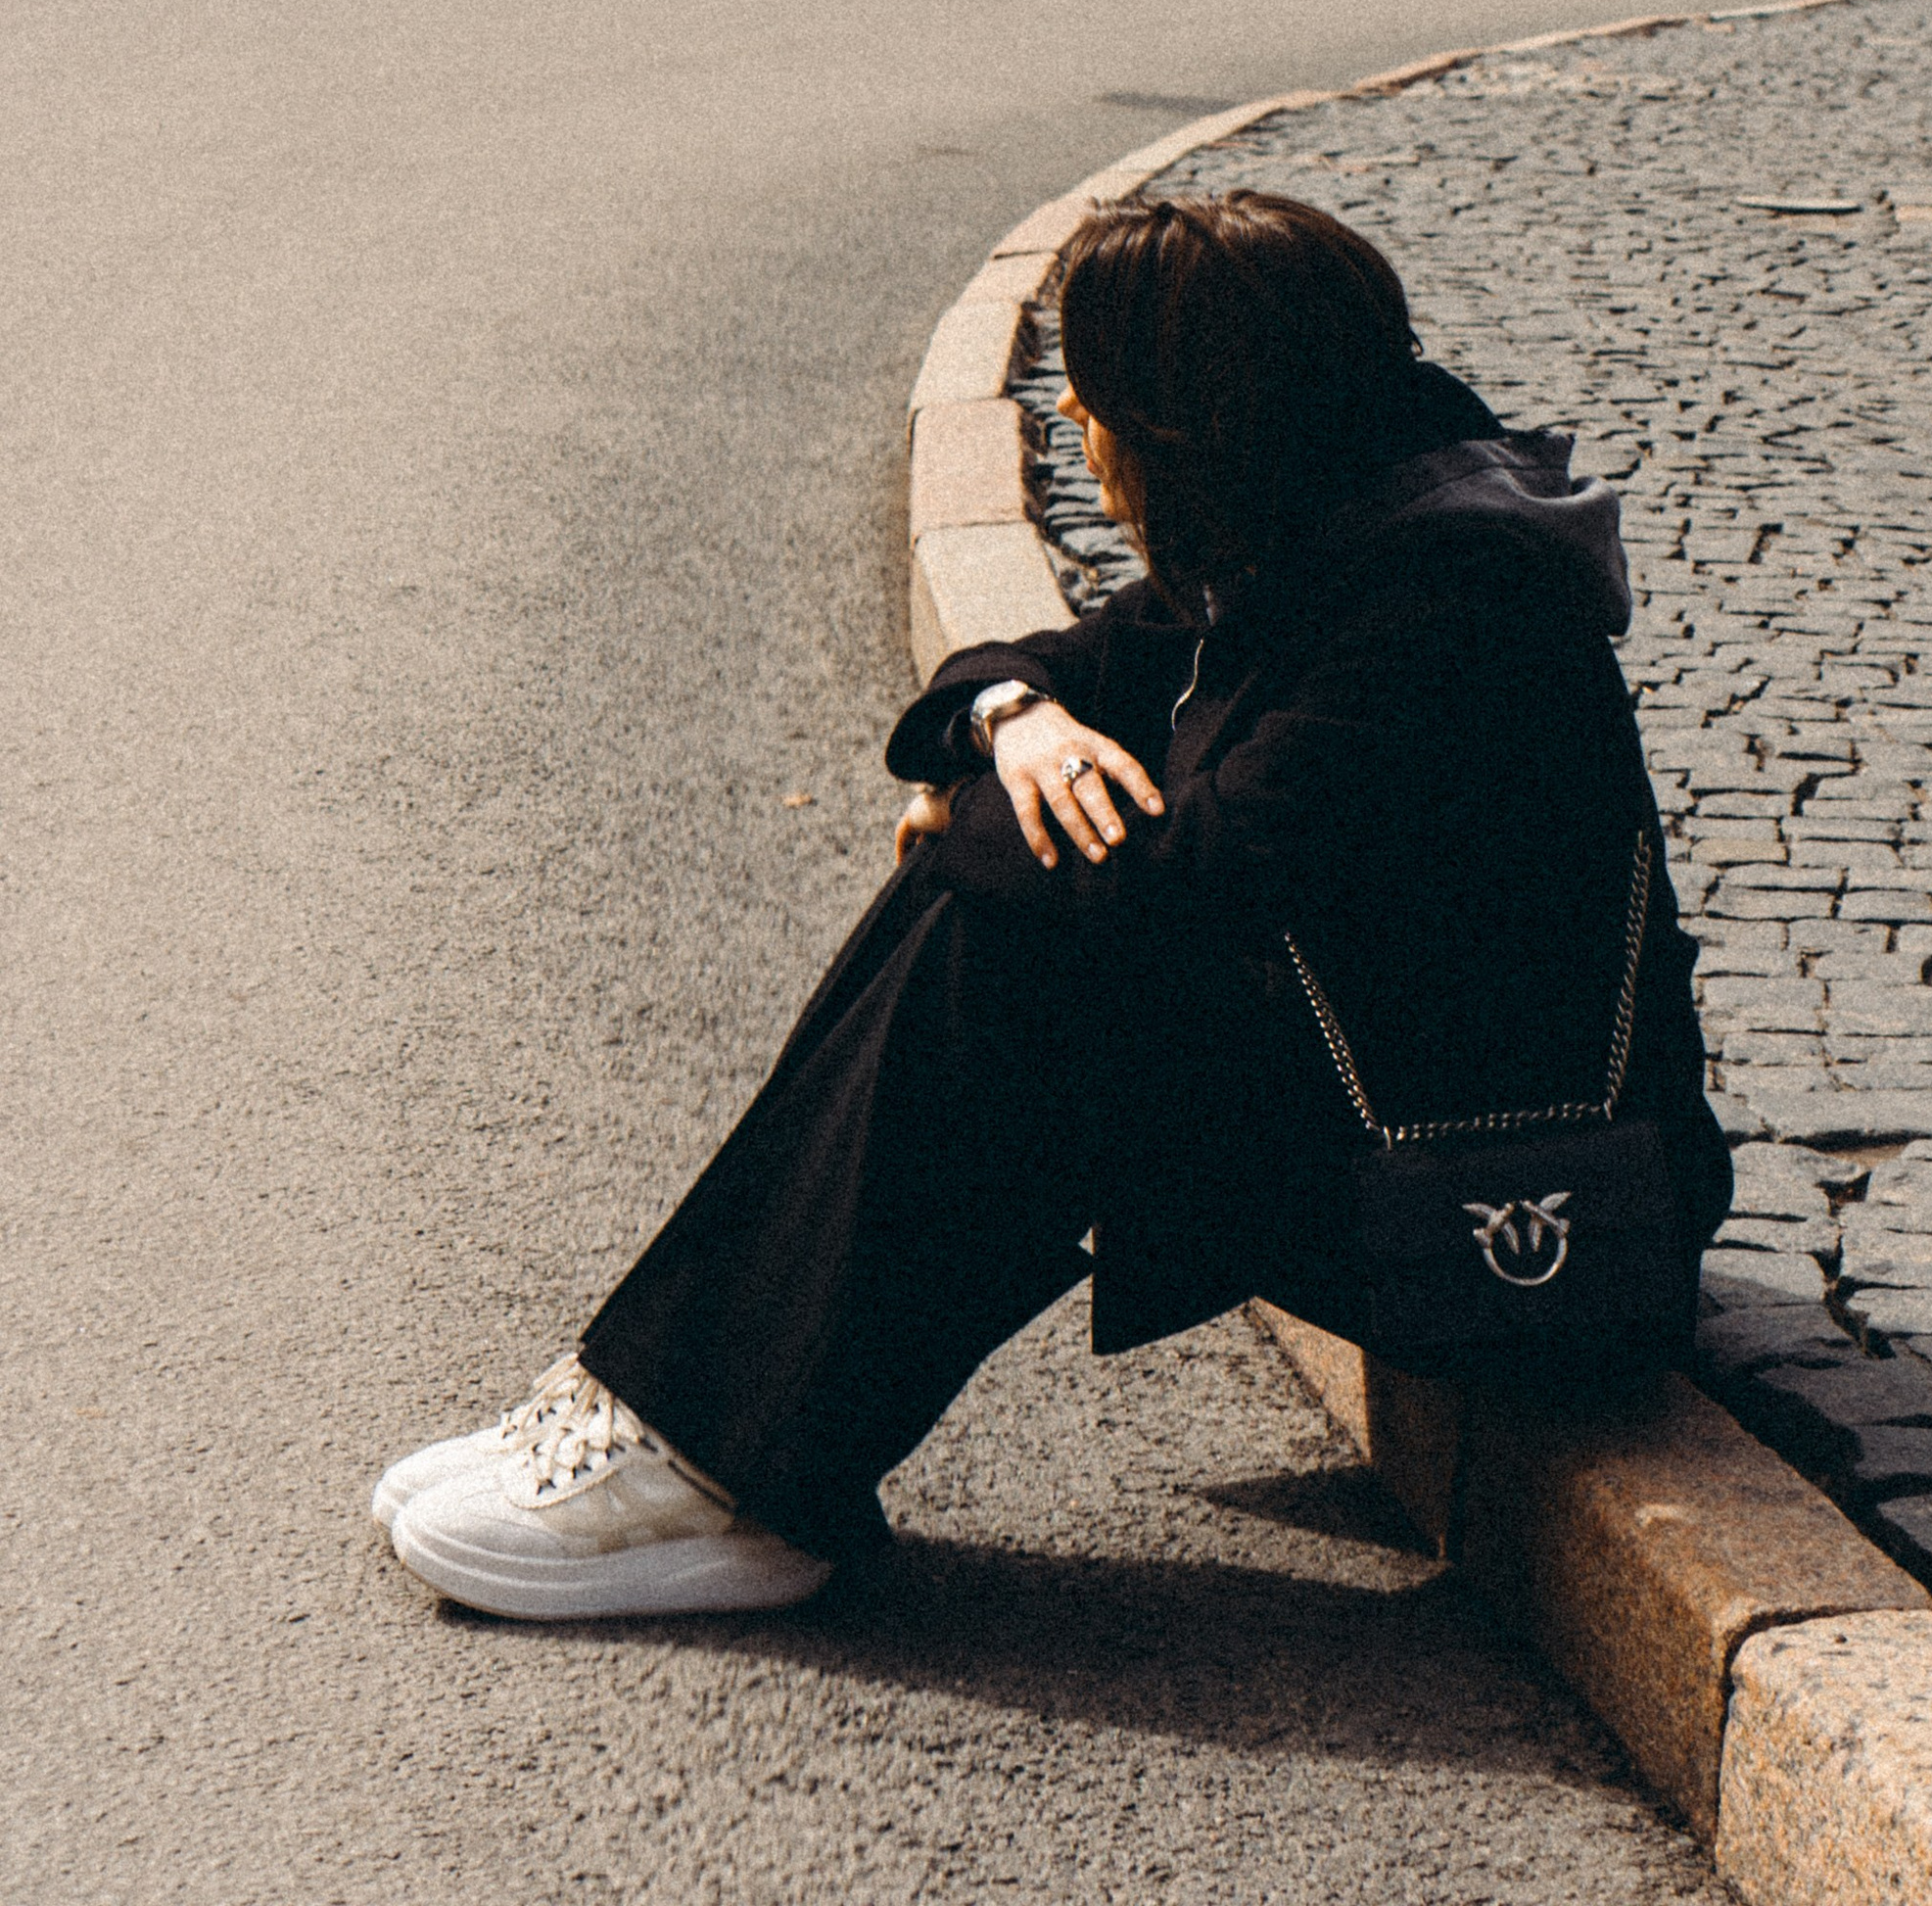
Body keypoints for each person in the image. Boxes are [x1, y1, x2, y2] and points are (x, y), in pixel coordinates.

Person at [375, 191, 1731, 1622]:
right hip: (1394, 1145)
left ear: (1196, 423)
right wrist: (1013, 723)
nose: (1079, 430)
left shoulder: (1449, 616)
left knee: (1006, 949)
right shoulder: (1338, 515)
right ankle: (686, 1410)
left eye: (1098, 406)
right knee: (1001, 894)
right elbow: (1041, 665)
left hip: (1523, 1231)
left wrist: (966, 811)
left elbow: (1182, 889)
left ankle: (738, 1473)